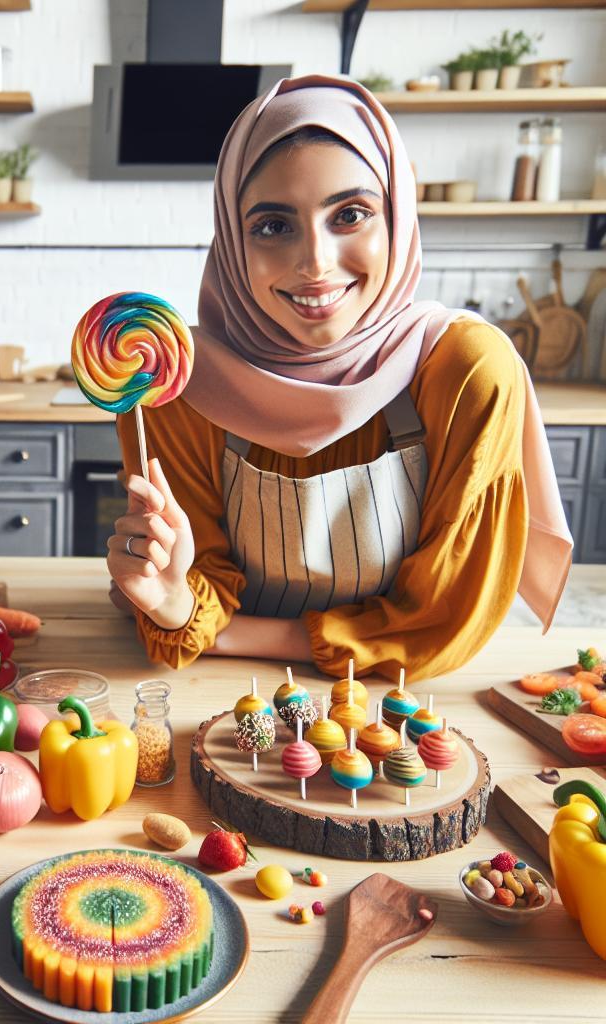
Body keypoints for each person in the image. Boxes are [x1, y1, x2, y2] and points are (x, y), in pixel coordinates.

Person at [108, 74, 573, 682]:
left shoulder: (465, 372)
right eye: (273, 225)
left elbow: (442, 620)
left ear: (397, 220)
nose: (316, 264)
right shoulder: (177, 385)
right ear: (230, 238)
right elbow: (188, 595)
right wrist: (169, 598)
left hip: (400, 706)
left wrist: (218, 630)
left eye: (350, 214)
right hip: (216, 696)